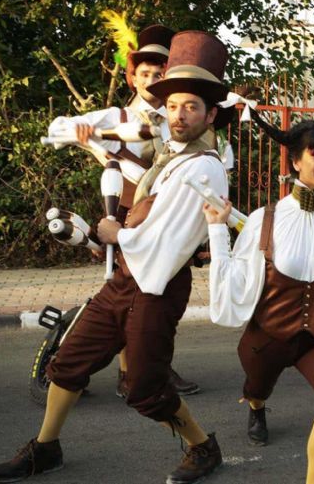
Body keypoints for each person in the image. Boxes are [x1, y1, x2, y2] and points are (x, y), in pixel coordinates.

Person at [0, 30, 231, 483]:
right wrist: (92, 146)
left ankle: (202, 446)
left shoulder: (204, 167)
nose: (178, 115)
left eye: (191, 106)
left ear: (210, 113)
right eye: (173, 105)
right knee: (68, 362)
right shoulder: (172, 156)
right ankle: (45, 448)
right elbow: (73, 138)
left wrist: (117, 233)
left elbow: (168, 243)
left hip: (156, 287)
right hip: (126, 276)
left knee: (144, 388)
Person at [203, 117, 314, 484]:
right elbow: (235, 283)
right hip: (266, 337)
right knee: (257, 387)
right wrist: (217, 230)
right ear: (296, 161)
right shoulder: (265, 218)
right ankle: (256, 406)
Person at [46, 24, 200, 399]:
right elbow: (58, 128)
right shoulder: (117, 117)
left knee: (165, 294)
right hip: (130, 215)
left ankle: (151, 366)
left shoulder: (179, 118)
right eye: (144, 73)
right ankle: (129, 372)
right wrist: (87, 137)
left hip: (169, 217)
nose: (151, 80)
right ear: (132, 77)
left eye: (159, 74)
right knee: (130, 293)